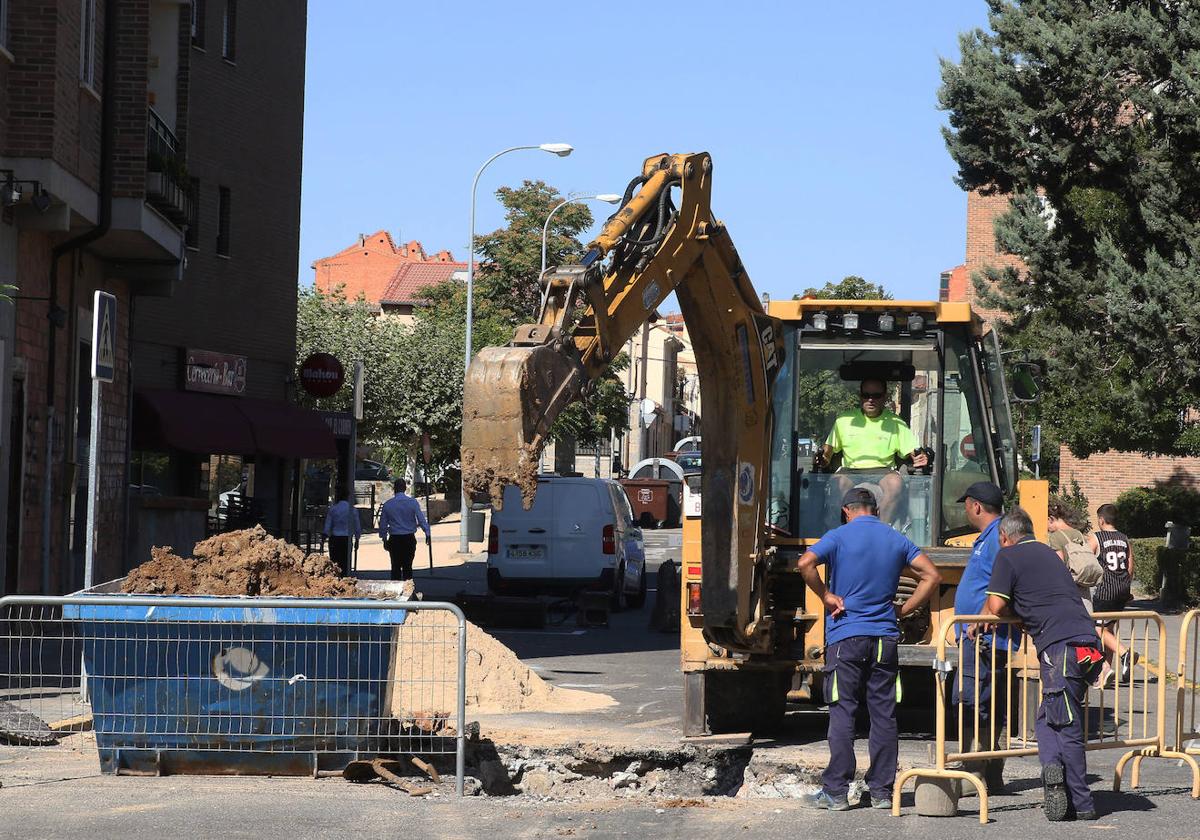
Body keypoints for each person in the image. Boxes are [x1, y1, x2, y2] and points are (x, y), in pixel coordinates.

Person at [798, 487, 942, 811]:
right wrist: (903, 610)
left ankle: (836, 791)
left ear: (847, 511)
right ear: (876, 510)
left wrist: (826, 596)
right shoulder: (895, 539)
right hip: (884, 640)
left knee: (843, 712)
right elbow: (932, 576)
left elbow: (805, 562)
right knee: (884, 715)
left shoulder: (838, 536)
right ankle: (881, 792)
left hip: (845, 637)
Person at [982, 508, 1105, 822]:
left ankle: (1081, 800)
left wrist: (1011, 612)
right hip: (1088, 644)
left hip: (1059, 647)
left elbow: (996, 605)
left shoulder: (1007, 557)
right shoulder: (1051, 554)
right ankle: (1053, 766)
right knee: (1048, 718)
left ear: (1004, 536)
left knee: (1067, 725)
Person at [950, 481, 1017, 792]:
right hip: (981, 637)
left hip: (984, 639)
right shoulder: (990, 537)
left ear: (976, 506)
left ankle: (976, 772)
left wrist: (979, 618)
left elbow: (1002, 580)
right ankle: (986, 773)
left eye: (967, 503)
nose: (966, 508)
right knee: (983, 701)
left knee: (972, 701)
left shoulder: (996, 537)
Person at [813, 378, 929, 523]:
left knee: (896, 485)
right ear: (860, 396)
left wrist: (921, 456)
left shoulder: (896, 423)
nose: (870, 399)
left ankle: (881, 531)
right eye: (866, 395)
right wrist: (822, 458)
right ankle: (839, 533)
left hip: (884, 470)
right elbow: (828, 451)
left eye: (876, 395)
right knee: (836, 486)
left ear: (885, 397)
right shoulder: (844, 420)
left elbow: (914, 451)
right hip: (850, 470)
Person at [1087, 504, 1136, 686]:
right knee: (1109, 630)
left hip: (1104, 590)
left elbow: (1086, 562)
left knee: (1097, 629)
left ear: (1101, 520)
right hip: (1122, 589)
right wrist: (1125, 588)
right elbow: (1130, 566)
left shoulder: (1096, 538)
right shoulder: (1124, 539)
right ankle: (1106, 670)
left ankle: (1125, 653)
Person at [378, 478, 431, 582]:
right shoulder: (412, 502)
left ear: (394, 489)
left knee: (395, 567)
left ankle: (395, 591)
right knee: (408, 567)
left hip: (395, 539)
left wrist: (384, 539)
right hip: (409, 538)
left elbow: (383, 525)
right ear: (405, 488)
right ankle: (408, 590)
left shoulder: (388, 504)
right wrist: (427, 533)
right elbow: (421, 519)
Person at [1046, 501, 1094, 610]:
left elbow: (1058, 565)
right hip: (1083, 584)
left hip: (1066, 590)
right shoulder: (1078, 533)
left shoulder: (1055, 536)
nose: (1047, 528)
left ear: (1050, 519)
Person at [322, 488, 361, 575]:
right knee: (345, 561)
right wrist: (357, 538)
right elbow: (357, 526)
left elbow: (328, 525)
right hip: (346, 539)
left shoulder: (333, 509)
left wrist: (324, 536)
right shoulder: (352, 510)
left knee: (334, 560)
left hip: (335, 538)